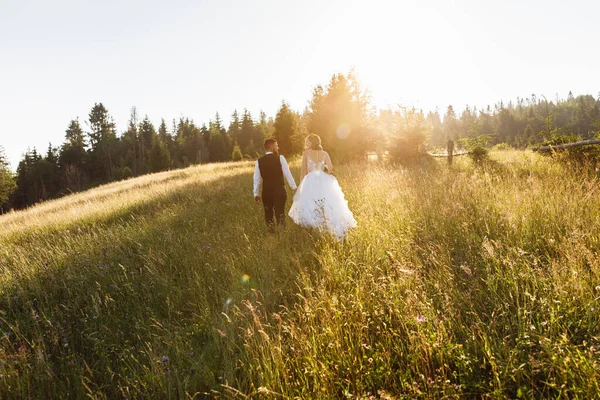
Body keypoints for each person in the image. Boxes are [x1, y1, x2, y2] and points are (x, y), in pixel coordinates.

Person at [288, 134, 356, 240]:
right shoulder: (324, 153)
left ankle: (314, 229)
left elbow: (303, 170)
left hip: (310, 180)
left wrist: (301, 185)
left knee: (311, 203)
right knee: (326, 202)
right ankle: (327, 227)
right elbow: (330, 167)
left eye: (307, 142)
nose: (306, 144)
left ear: (313, 142)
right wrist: (324, 171)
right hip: (324, 180)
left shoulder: (306, 153)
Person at [253, 138, 297, 231]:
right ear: (272, 147)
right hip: (280, 190)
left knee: (268, 213)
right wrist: (294, 187)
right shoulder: (280, 158)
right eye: (276, 146)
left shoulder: (259, 161)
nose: (278, 148)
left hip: (266, 192)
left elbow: (256, 179)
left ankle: (271, 232)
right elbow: (287, 173)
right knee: (280, 212)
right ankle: (282, 232)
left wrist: (256, 194)